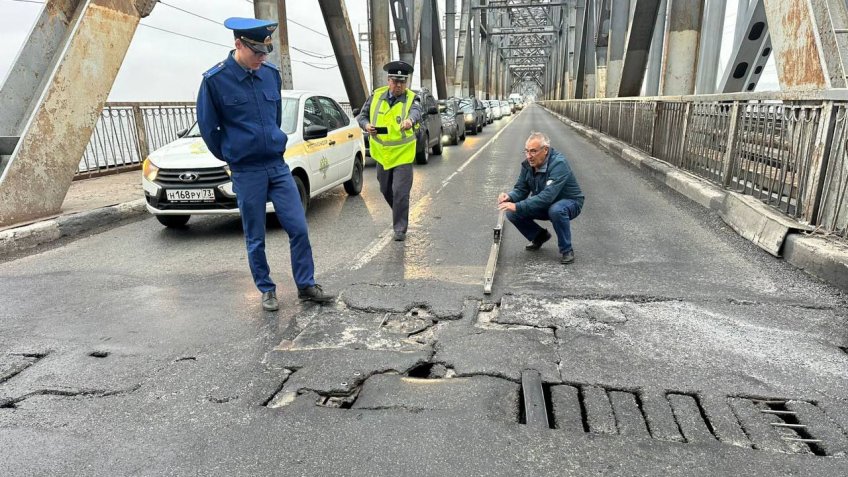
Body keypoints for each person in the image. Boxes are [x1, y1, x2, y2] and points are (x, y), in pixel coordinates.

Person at [196, 17, 334, 311]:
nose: (262, 58)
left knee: (298, 227)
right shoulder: (215, 81)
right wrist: (233, 154)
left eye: (265, 52)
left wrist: (271, 140)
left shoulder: (270, 75)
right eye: (257, 52)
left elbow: (275, 117)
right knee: (256, 236)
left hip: (277, 165)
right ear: (238, 44)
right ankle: (266, 289)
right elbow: (209, 129)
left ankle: (306, 285)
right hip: (246, 170)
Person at [356, 60, 422, 242]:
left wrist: (409, 121)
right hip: (382, 155)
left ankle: (400, 228)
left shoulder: (412, 98)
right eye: (395, 81)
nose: (398, 85)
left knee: (400, 191)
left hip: (403, 155)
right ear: (388, 81)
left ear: (406, 83)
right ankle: (400, 211)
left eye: (402, 82)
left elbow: (416, 112)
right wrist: (366, 125)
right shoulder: (376, 96)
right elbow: (361, 116)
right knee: (385, 189)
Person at [497, 132, 585, 264]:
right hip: (546, 203)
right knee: (512, 212)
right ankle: (539, 236)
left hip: (570, 202)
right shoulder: (527, 165)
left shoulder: (559, 164)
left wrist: (518, 206)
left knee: (556, 210)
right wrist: (509, 197)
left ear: (545, 150)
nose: (529, 156)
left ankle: (566, 249)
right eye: (526, 151)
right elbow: (521, 189)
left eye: (533, 151)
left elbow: (547, 196)